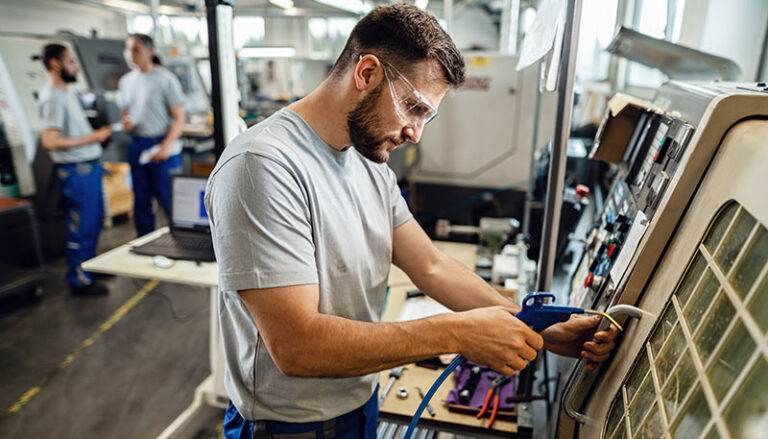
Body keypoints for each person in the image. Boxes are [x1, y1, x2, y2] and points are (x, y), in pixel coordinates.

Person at [205, 4, 618, 438]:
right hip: (286, 427)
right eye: (412, 107)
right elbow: (297, 347)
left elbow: (431, 266)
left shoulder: (368, 162)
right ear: (366, 73)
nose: (416, 133)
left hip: (360, 402)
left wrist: (537, 327)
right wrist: (457, 333)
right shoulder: (262, 166)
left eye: (427, 115)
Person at [37, 43, 112, 295]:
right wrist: (91, 139)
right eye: (71, 61)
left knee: (92, 224)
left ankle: (88, 266)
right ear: (55, 64)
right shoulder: (52, 97)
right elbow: (49, 140)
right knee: (81, 227)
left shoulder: (66, 92)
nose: (76, 66)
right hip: (76, 171)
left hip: (88, 168)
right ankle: (78, 279)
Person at [118, 33, 185, 236]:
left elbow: (179, 118)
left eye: (136, 49)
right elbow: (125, 114)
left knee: (171, 201)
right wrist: (126, 124)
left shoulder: (165, 79)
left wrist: (165, 147)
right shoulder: (126, 82)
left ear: (150, 51)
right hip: (138, 144)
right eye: (128, 49)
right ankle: (145, 244)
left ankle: (183, 244)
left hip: (162, 144)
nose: (130, 54)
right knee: (141, 202)